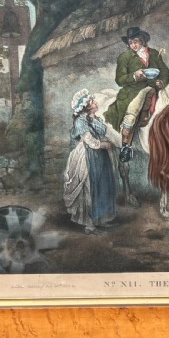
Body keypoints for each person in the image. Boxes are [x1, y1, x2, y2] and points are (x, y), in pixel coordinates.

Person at [103, 26, 169, 162]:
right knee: (131, 114)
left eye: (135, 41)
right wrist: (134, 76)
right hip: (133, 91)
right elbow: (120, 80)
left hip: (155, 89)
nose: (133, 45)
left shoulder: (154, 53)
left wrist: (162, 82)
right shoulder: (125, 57)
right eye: (130, 42)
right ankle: (125, 147)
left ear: (142, 41)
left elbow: (165, 72)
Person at [63, 89, 118, 234]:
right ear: (86, 106)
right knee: (90, 187)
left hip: (100, 156)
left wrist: (94, 118)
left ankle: (101, 219)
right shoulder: (81, 121)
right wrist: (104, 145)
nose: (95, 103)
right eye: (92, 102)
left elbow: (103, 131)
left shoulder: (94, 118)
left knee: (103, 185)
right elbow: (90, 141)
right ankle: (90, 224)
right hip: (87, 157)